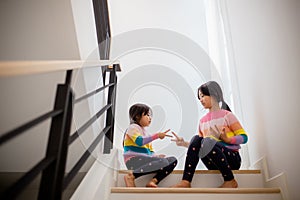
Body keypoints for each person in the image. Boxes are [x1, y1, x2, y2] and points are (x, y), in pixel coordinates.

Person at [171, 81, 248, 188]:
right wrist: (184, 143)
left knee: (207, 141)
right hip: (213, 162)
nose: (201, 100)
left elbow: (244, 138)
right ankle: (186, 181)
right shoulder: (203, 121)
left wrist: (227, 139)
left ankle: (230, 180)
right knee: (197, 139)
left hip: (232, 160)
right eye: (199, 98)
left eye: (202, 96)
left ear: (213, 94)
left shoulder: (227, 116)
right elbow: (198, 146)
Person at [123, 103, 178, 187]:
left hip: (143, 160)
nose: (150, 118)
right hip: (133, 160)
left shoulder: (146, 133)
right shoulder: (132, 127)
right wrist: (157, 136)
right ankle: (132, 176)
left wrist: (156, 156)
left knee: (173, 160)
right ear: (137, 116)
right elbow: (140, 141)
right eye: (147, 115)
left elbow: (150, 151)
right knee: (163, 162)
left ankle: (153, 181)